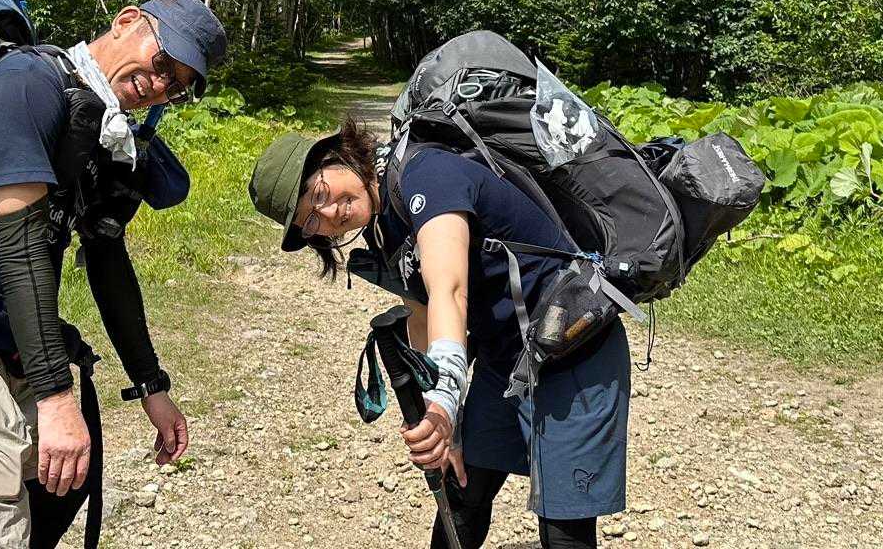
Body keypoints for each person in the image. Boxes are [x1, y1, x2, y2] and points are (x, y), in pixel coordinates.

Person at [0, 0, 227, 548]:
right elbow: (21, 247)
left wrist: (150, 384)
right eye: (163, 63)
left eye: (177, 87)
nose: (160, 85)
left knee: (63, 477)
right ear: (126, 21)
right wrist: (54, 396)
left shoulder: (101, 129)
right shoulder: (27, 85)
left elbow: (108, 260)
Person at [249, 118, 631, 549]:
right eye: (311, 222)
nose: (329, 214)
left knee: (562, 530)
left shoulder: (427, 174)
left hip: (573, 349)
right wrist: (438, 412)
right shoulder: (384, 225)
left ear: (334, 157)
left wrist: (447, 400)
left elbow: (449, 289)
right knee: (462, 492)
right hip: (507, 360)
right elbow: (422, 313)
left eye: (319, 194)